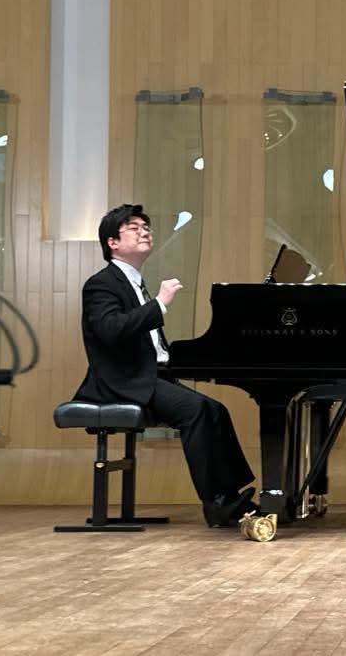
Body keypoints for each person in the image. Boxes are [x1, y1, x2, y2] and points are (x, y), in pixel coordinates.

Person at [74, 203, 256, 528]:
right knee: (196, 411)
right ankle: (215, 503)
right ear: (112, 242)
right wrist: (159, 304)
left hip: (148, 376)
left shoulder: (134, 282)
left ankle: (230, 495)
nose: (144, 231)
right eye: (134, 228)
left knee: (215, 410)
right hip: (121, 381)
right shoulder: (101, 284)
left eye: (146, 227)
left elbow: (148, 342)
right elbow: (110, 329)